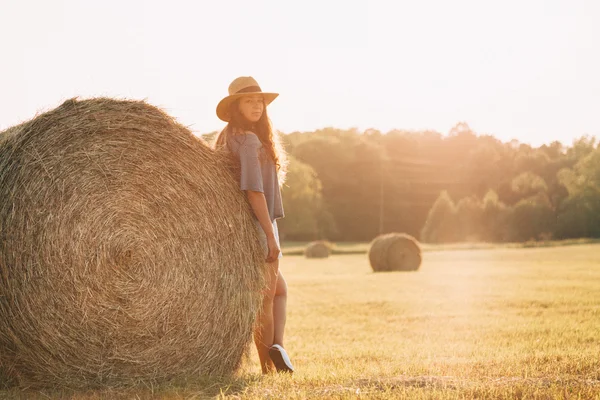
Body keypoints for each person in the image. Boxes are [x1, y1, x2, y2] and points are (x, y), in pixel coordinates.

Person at [214, 76, 294, 374]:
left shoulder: (228, 136)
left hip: (241, 226)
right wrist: (270, 237)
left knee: (278, 292)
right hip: (259, 225)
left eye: (260, 100)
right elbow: (253, 190)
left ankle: (278, 350)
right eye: (249, 101)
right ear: (236, 105)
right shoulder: (248, 140)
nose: (257, 106)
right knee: (267, 299)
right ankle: (269, 367)